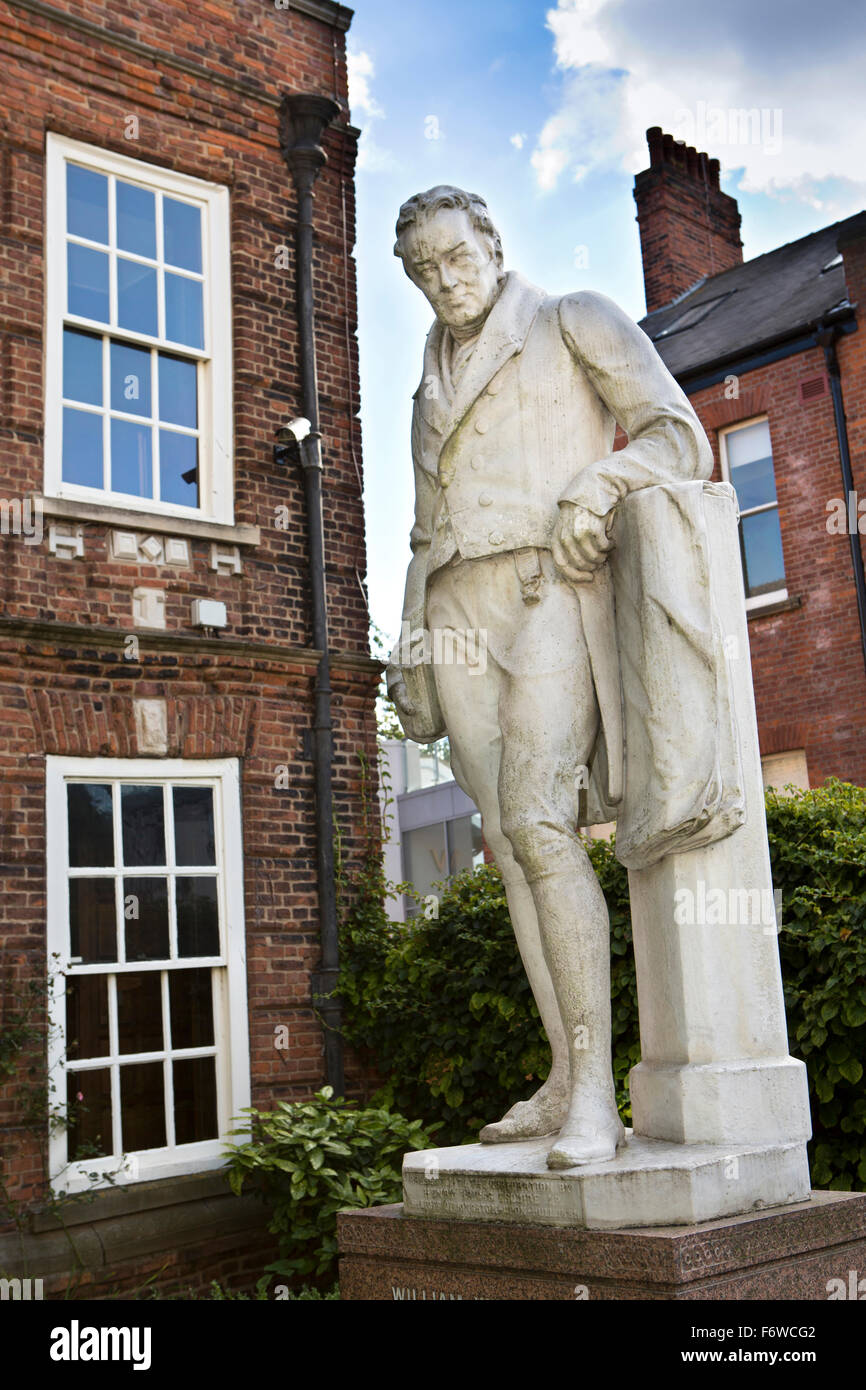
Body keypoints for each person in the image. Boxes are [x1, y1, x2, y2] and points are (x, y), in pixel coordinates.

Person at [387, 186, 712, 1167]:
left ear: (490, 242)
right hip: (453, 610)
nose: (445, 280)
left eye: (455, 256)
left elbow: (675, 434)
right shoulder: (426, 381)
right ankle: (566, 1075)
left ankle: (596, 1101)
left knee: (539, 821)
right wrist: (409, 641)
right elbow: (419, 526)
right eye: (423, 270)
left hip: (547, 588)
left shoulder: (573, 318)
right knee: (507, 842)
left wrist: (597, 484)